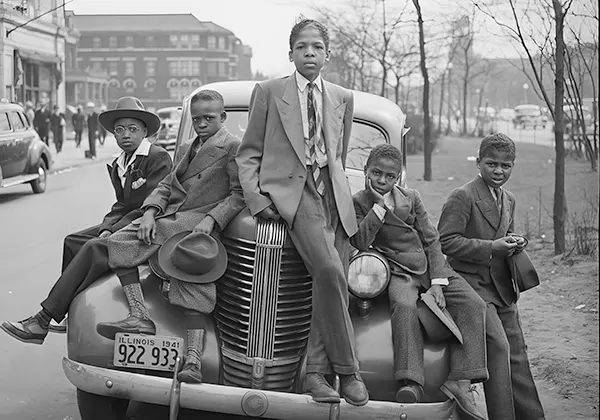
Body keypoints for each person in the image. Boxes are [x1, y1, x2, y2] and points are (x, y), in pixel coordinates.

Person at [235, 18, 368, 406]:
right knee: (329, 271)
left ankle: (314, 374)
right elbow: (248, 154)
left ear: (328, 54)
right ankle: (349, 371)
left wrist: (339, 191)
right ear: (291, 53)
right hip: (296, 193)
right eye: (301, 47)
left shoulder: (343, 96)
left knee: (329, 283)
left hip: (335, 198)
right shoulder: (269, 91)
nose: (309, 53)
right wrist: (259, 201)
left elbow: (338, 156)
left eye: (316, 47)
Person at [95, 89, 245, 384]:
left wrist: (212, 220)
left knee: (192, 279)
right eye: (197, 118)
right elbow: (167, 184)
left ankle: (193, 360)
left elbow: (239, 194)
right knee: (119, 240)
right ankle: (139, 314)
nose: (202, 123)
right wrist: (150, 211)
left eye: (209, 118)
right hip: (171, 217)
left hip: (198, 222)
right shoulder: (189, 146)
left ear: (223, 117)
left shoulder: (232, 147)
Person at [1, 97, 172, 345]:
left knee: (93, 247)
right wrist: (106, 227)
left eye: (133, 129)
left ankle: (43, 319)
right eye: (119, 130)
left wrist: (110, 231)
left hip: (148, 226)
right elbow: (122, 204)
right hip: (126, 221)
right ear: (114, 134)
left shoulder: (157, 157)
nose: (126, 135)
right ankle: (69, 310)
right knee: (73, 241)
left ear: (145, 131)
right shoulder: (120, 162)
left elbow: (151, 205)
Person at [351, 144, 487, 418]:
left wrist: (438, 281)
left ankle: (461, 379)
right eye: (376, 173)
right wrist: (378, 209)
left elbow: (431, 238)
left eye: (389, 176)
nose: (382, 180)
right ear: (366, 171)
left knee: (474, 303)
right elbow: (360, 241)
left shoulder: (411, 197)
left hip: (429, 266)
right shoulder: (358, 202)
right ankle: (411, 380)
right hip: (397, 269)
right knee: (403, 306)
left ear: (398, 177)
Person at [437, 133, 546, 420]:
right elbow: (446, 242)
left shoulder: (508, 199)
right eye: (491, 164)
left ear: (513, 166)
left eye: (506, 166)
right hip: (469, 285)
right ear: (478, 163)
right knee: (498, 345)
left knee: (517, 353)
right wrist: (491, 248)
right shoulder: (463, 196)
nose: (498, 171)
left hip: (500, 286)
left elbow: (503, 233)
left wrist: (514, 241)